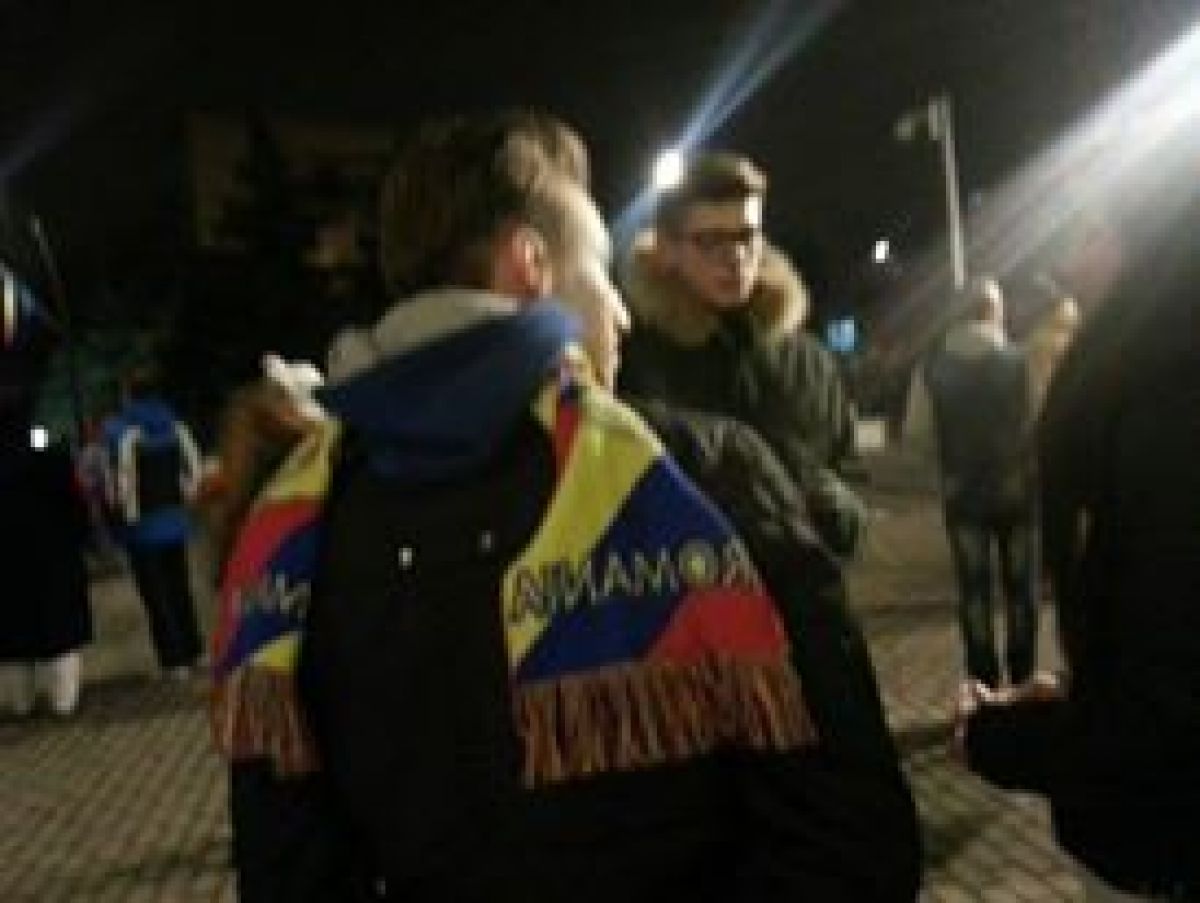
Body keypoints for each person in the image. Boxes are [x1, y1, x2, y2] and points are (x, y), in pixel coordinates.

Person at [211, 111, 919, 902]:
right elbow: (852, 838)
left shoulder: (294, 527)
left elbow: (287, 869)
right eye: (601, 271)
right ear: (531, 265)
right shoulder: (699, 473)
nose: (621, 311)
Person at [958, 198, 1200, 900]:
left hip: (1166, 844)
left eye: (1091, 234)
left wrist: (999, 740)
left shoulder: (1167, 412)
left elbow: (1163, 723)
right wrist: (1079, 691)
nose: (1068, 264)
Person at [619, 152, 865, 558]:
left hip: (803, 590)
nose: (734, 256)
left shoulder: (806, 359)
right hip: (695, 591)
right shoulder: (633, 362)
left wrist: (844, 511)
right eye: (710, 241)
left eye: (746, 236)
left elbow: (847, 467)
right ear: (667, 249)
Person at [909, 277, 1038, 690]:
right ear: (995, 310)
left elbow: (917, 433)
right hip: (1017, 489)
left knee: (974, 591)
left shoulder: (932, 368)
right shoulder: (1019, 361)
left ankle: (983, 678)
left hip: (962, 491)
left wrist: (947, 461)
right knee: (1020, 589)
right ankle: (1022, 676)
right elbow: (1037, 418)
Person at [102, 370, 204, 677]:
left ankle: (174, 661)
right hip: (175, 520)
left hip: (141, 528)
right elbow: (194, 469)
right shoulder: (175, 425)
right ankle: (195, 651)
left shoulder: (118, 431)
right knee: (180, 589)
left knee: (156, 596)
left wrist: (116, 515)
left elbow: (114, 483)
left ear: (127, 395)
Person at [0, 441, 93, 716]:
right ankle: (64, 701)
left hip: (7, 562)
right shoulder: (49, 456)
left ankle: (21, 703)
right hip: (55, 555)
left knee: (14, 636)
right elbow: (75, 504)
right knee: (62, 632)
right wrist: (82, 534)